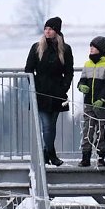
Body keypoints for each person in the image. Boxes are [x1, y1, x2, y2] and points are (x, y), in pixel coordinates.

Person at [24, 16, 74, 166]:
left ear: (57, 31)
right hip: (40, 93)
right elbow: (28, 69)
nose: (47, 31)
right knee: (46, 125)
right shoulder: (36, 47)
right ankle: (52, 154)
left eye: (50, 29)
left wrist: (64, 87)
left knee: (52, 126)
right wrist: (34, 86)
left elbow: (69, 71)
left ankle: (46, 154)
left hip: (57, 93)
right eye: (46, 29)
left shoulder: (65, 48)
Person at [77, 36, 105, 168]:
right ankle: (85, 157)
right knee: (87, 129)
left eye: (94, 47)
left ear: (101, 49)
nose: (91, 49)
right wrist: (81, 86)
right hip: (88, 103)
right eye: (91, 46)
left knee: (101, 130)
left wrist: (102, 99)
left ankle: (100, 157)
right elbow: (81, 80)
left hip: (102, 105)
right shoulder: (87, 64)